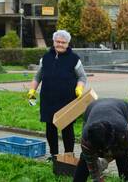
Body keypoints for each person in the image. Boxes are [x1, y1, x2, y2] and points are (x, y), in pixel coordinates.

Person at [27, 29, 87, 161]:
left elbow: (82, 77)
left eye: (63, 42)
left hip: (67, 100)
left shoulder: (74, 59)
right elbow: (38, 76)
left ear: (68, 43)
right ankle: (54, 155)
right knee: (50, 128)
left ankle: (68, 155)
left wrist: (79, 88)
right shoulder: (46, 58)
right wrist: (32, 92)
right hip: (48, 99)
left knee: (67, 128)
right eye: (57, 41)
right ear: (53, 42)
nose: (60, 44)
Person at [73, 98, 128, 182]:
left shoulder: (123, 132)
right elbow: (92, 165)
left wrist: (106, 160)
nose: (104, 152)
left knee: (123, 159)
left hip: (126, 112)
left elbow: (127, 148)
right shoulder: (86, 138)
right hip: (92, 109)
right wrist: (98, 178)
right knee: (85, 159)